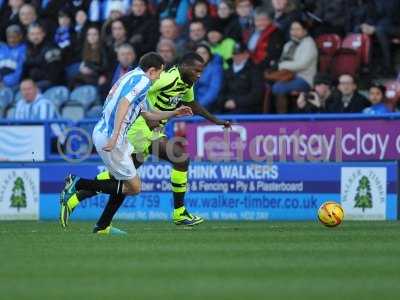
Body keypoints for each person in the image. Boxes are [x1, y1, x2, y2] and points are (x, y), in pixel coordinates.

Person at [62, 52, 231, 228]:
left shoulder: (187, 83)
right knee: (180, 159)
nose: (199, 74)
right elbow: (140, 93)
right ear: (184, 66)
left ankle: (89, 211)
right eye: (196, 70)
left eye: (201, 71)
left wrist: (217, 121)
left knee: (123, 179)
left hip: (153, 130)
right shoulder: (166, 78)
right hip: (141, 129)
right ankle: (179, 212)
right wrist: (147, 117)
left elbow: (194, 104)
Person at [271, 20, 318, 114]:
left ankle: (283, 119)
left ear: (305, 31)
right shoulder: (289, 44)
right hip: (288, 76)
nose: (294, 32)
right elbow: (283, 60)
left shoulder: (309, 44)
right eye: (292, 29)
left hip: (305, 78)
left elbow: (301, 64)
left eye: (298, 29)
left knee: (278, 88)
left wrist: (281, 65)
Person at [217, 42, 264, 113]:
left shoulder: (254, 70)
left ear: (247, 55)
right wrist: (224, 102)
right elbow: (221, 91)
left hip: (248, 109)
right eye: (235, 54)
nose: (237, 56)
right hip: (226, 107)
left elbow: (256, 94)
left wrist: (236, 102)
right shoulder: (227, 71)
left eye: (240, 54)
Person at [23, 23, 63, 90]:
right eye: (32, 34)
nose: (35, 37)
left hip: (50, 83)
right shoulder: (28, 49)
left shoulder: (51, 48)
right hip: (34, 82)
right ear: (28, 36)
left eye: (38, 33)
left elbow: (54, 75)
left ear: (43, 34)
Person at [194, 43, 223, 110]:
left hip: (208, 106)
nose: (201, 55)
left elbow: (213, 91)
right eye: (198, 53)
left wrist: (198, 106)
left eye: (204, 53)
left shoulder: (215, 69)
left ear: (209, 55)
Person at [0, 25, 26, 90]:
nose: (12, 40)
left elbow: (20, 71)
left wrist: (5, 82)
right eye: (9, 37)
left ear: (20, 36)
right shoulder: (2, 48)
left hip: (13, 85)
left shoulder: (24, 49)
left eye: (14, 37)